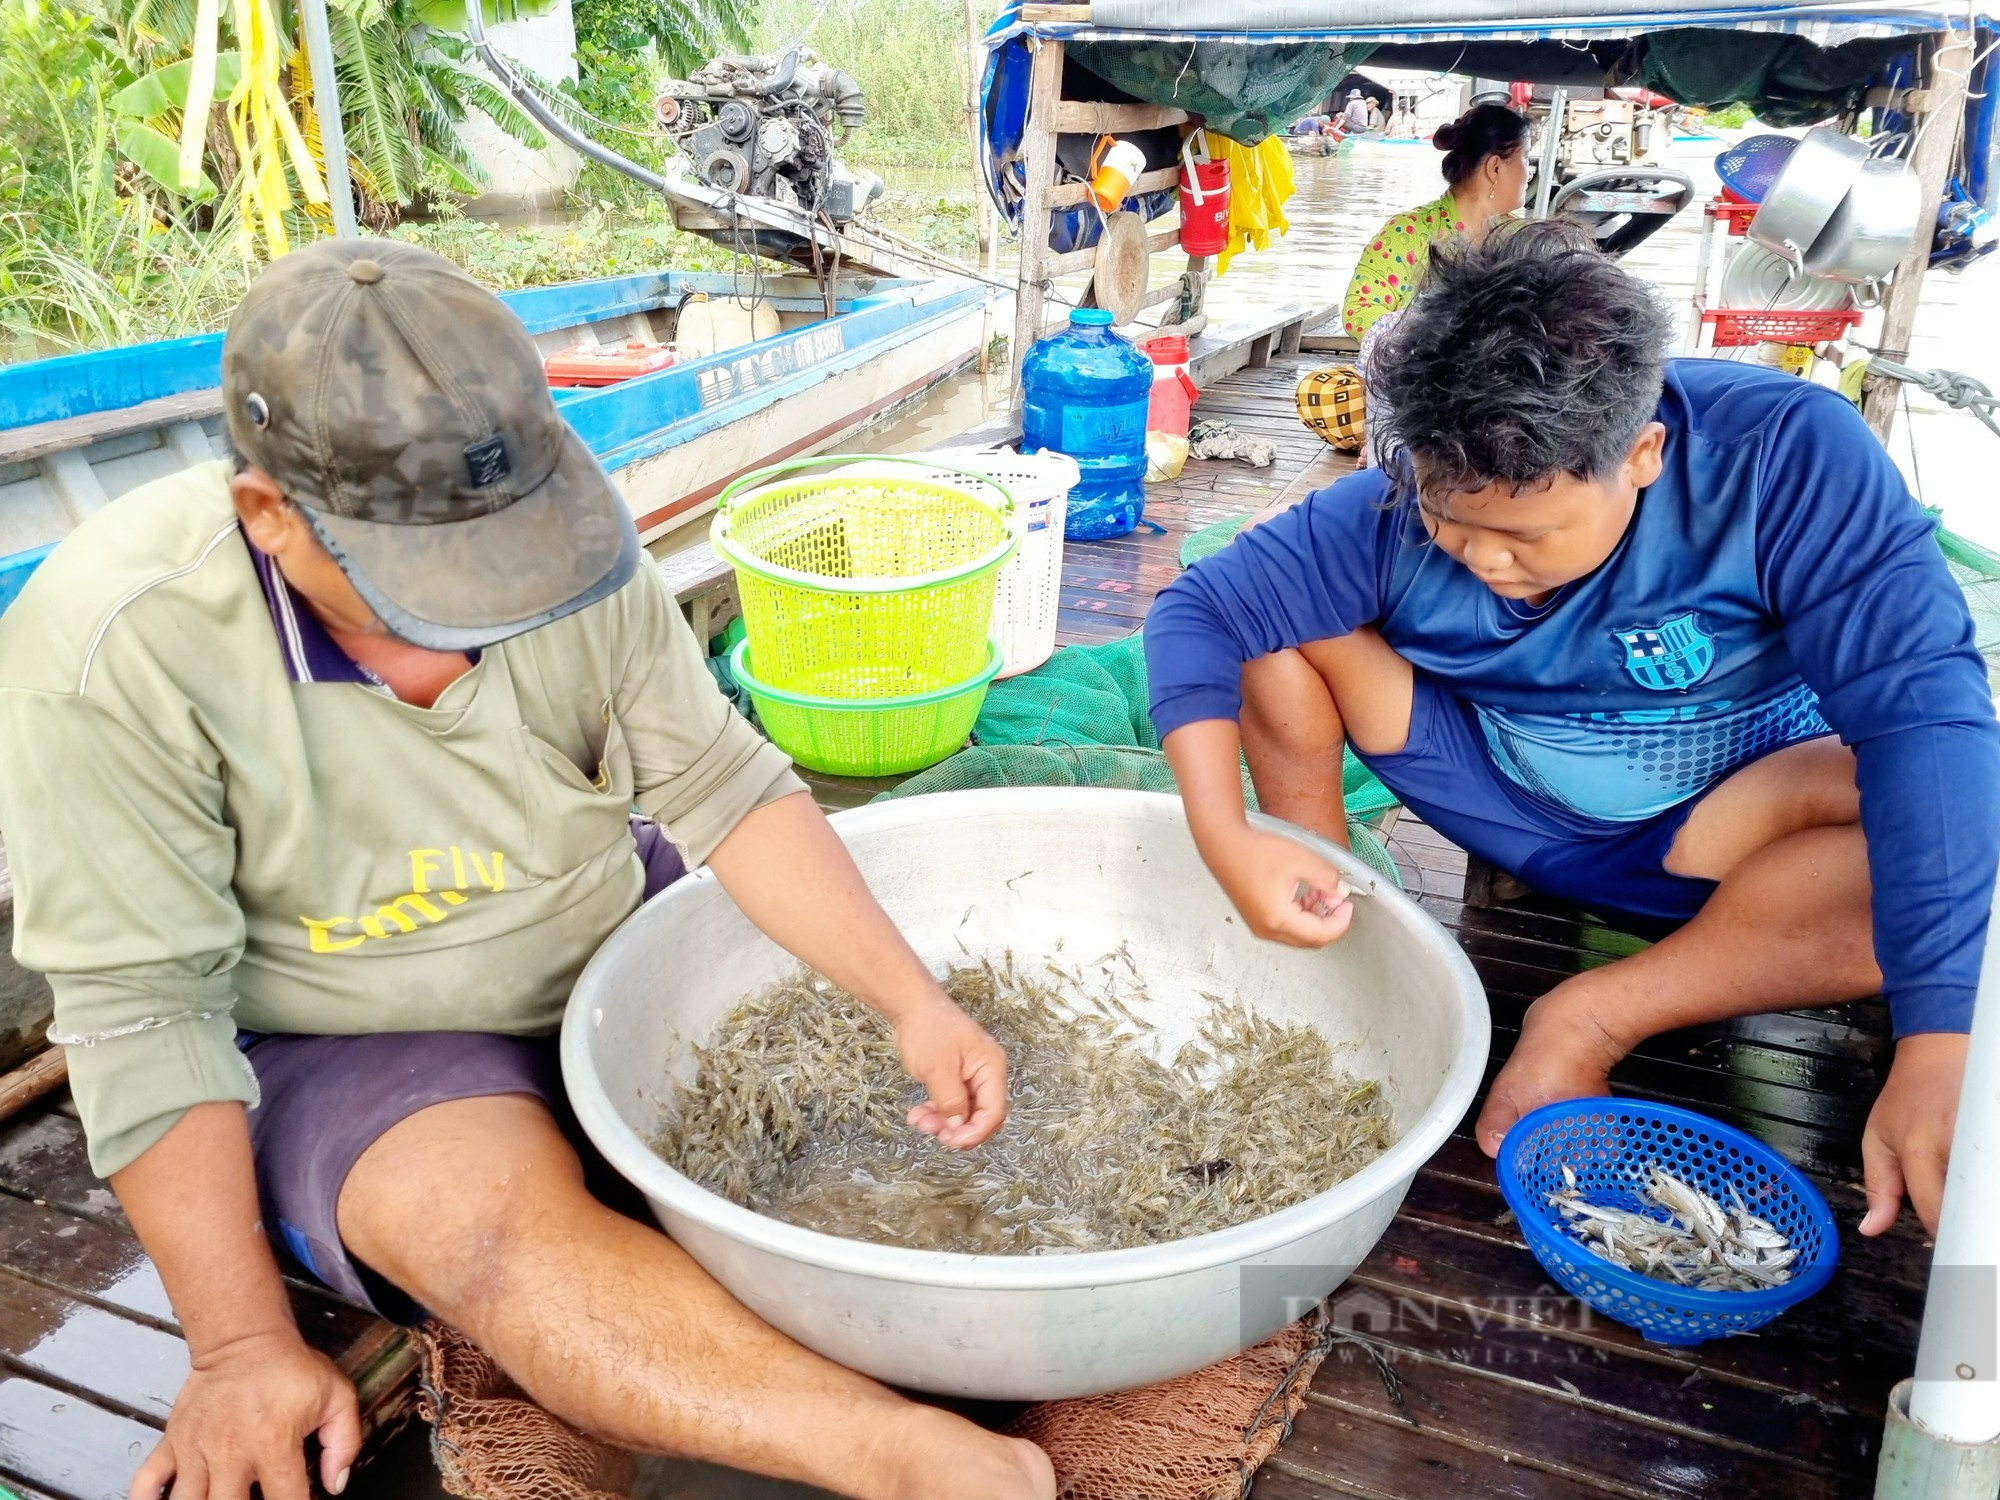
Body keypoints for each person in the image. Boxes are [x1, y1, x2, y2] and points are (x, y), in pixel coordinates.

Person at [0, 240, 1055, 1500]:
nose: (497, 604)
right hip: (357, 1036)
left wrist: (911, 1002)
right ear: (267, 513)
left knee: (891, 1125)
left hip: (607, 925)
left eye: (508, 554)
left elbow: (720, 787)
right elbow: (145, 1017)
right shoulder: (112, 646)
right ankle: (918, 1463)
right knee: (492, 1240)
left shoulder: (559, 522)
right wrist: (238, 1348)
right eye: (435, 583)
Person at [1147, 224, 1999, 1240]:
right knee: (1272, 639)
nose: (1474, 557)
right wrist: (1222, 831)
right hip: (1498, 790)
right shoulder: (1391, 508)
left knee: (1943, 837)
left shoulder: (1785, 457)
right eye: (1445, 517)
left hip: (1732, 826)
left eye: (1521, 535)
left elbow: (1925, 717)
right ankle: (1327, 905)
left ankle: (1588, 1013)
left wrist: (1941, 1033)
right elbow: (1199, 612)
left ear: (1640, 454)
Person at [1339, 102, 1530, 466]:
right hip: (1417, 388)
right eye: (1525, 161)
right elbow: (1359, 310)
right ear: (1495, 167)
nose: (1527, 173)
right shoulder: (1408, 231)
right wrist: (1435, 342)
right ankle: (1393, 440)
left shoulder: (1524, 242)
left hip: (1499, 393)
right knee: (1319, 394)